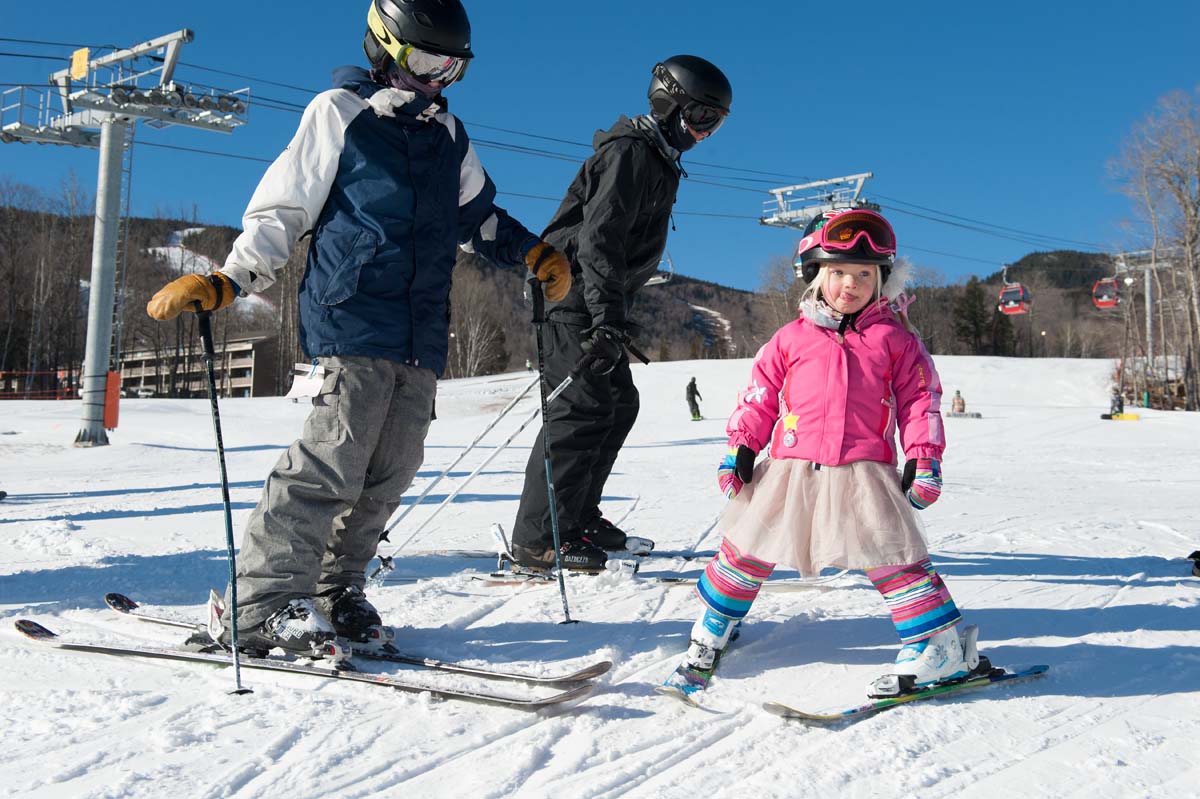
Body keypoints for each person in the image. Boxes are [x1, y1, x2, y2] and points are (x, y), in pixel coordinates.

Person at [145, 0, 571, 659]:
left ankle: (334, 590)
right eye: (428, 61)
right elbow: (283, 209)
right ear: (385, 49)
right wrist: (231, 279)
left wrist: (532, 252)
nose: (438, 80)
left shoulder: (448, 135)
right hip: (352, 316)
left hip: (421, 332)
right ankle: (257, 604)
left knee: (389, 470)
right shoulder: (338, 114)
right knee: (330, 464)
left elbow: (479, 218)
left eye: (451, 67)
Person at [662, 209, 984, 700]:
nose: (849, 285)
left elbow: (922, 401)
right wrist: (742, 447)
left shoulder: (896, 341)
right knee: (745, 551)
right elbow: (760, 395)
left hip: (864, 470)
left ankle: (936, 647)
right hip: (791, 468)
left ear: (883, 280)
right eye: (837, 272)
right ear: (815, 276)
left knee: (893, 555)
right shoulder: (790, 339)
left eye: (863, 274)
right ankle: (713, 627)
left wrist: (924, 455)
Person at [508, 56, 733, 571]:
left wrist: (613, 313)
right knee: (579, 410)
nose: (704, 132)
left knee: (616, 404)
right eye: (699, 117)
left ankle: (578, 517)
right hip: (570, 293)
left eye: (715, 123)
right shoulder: (631, 153)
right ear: (668, 102)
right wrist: (605, 315)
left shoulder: (656, 159)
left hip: (593, 298)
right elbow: (599, 239)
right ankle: (539, 539)